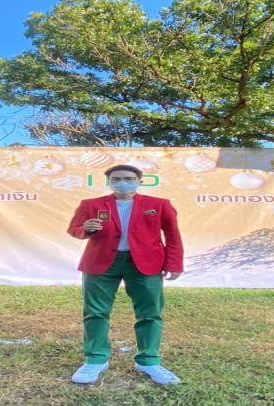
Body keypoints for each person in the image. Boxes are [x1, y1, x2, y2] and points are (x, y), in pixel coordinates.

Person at [67, 164, 184, 385]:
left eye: (129, 178)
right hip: (100, 263)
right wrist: (86, 229)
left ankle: (148, 360)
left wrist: (174, 263)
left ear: (140, 181)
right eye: (116, 178)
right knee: (95, 312)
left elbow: (172, 235)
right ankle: (96, 358)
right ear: (109, 181)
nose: (123, 182)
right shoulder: (90, 204)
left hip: (146, 263)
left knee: (150, 313)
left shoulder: (159, 204)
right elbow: (74, 229)